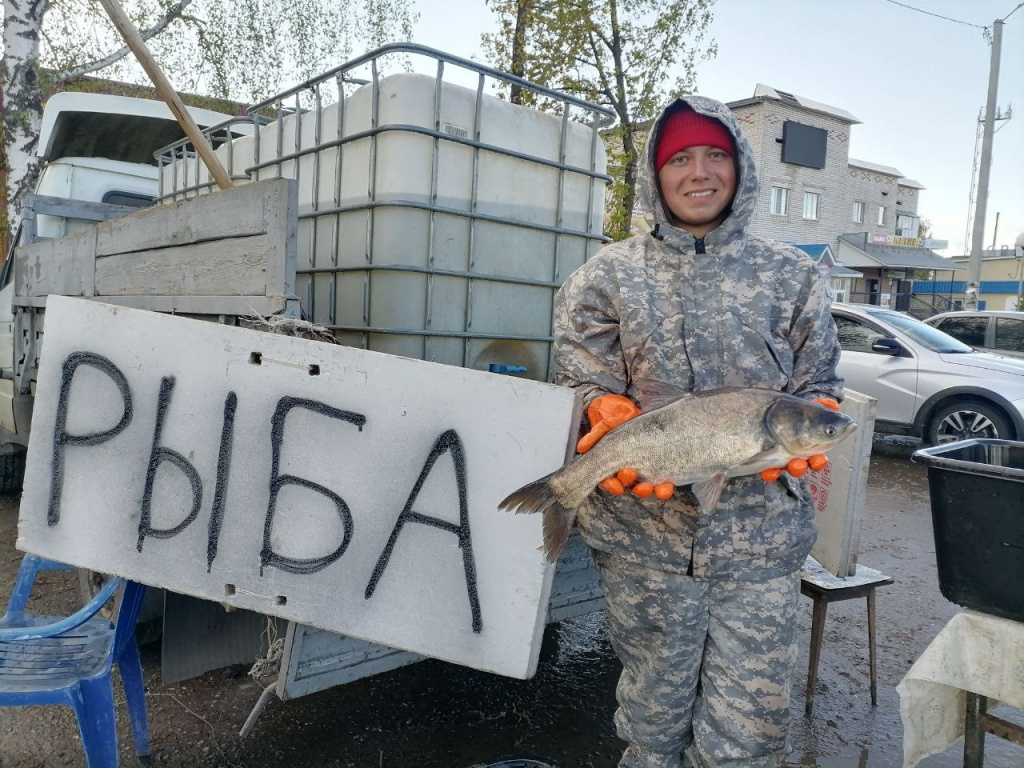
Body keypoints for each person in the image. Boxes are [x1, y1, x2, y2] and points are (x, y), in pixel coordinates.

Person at [552, 95, 843, 768]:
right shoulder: (605, 276)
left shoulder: (792, 274)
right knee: (651, 724)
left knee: (748, 736)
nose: (699, 172)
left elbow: (819, 382)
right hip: (642, 541)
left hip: (762, 545)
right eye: (679, 157)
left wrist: (807, 429)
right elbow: (580, 377)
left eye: (715, 154)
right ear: (656, 174)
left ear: (740, 165)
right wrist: (602, 407)